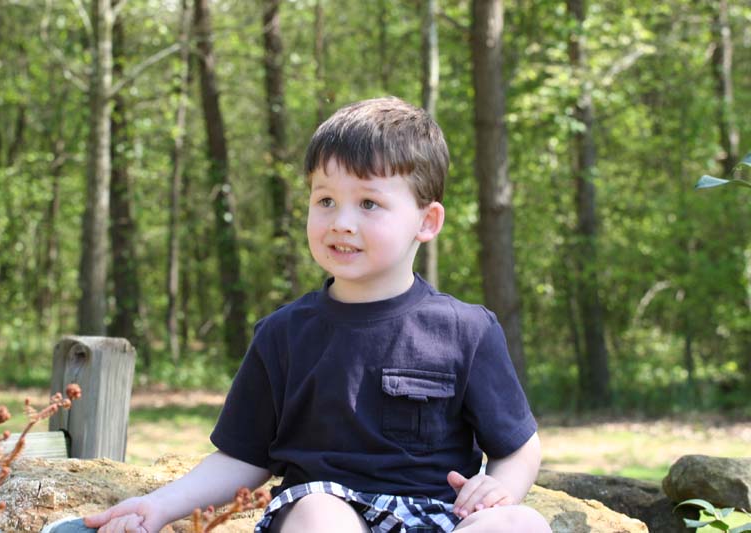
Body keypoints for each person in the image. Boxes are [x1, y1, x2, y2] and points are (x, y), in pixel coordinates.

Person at [83, 97, 550, 533]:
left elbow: (518, 447)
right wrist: (159, 505)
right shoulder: (283, 335)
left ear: (426, 221)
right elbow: (241, 458)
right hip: (322, 510)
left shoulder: (466, 331)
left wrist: (500, 490)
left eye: (368, 203)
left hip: (435, 515)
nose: (341, 222)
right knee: (320, 512)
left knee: (522, 523)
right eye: (325, 200)